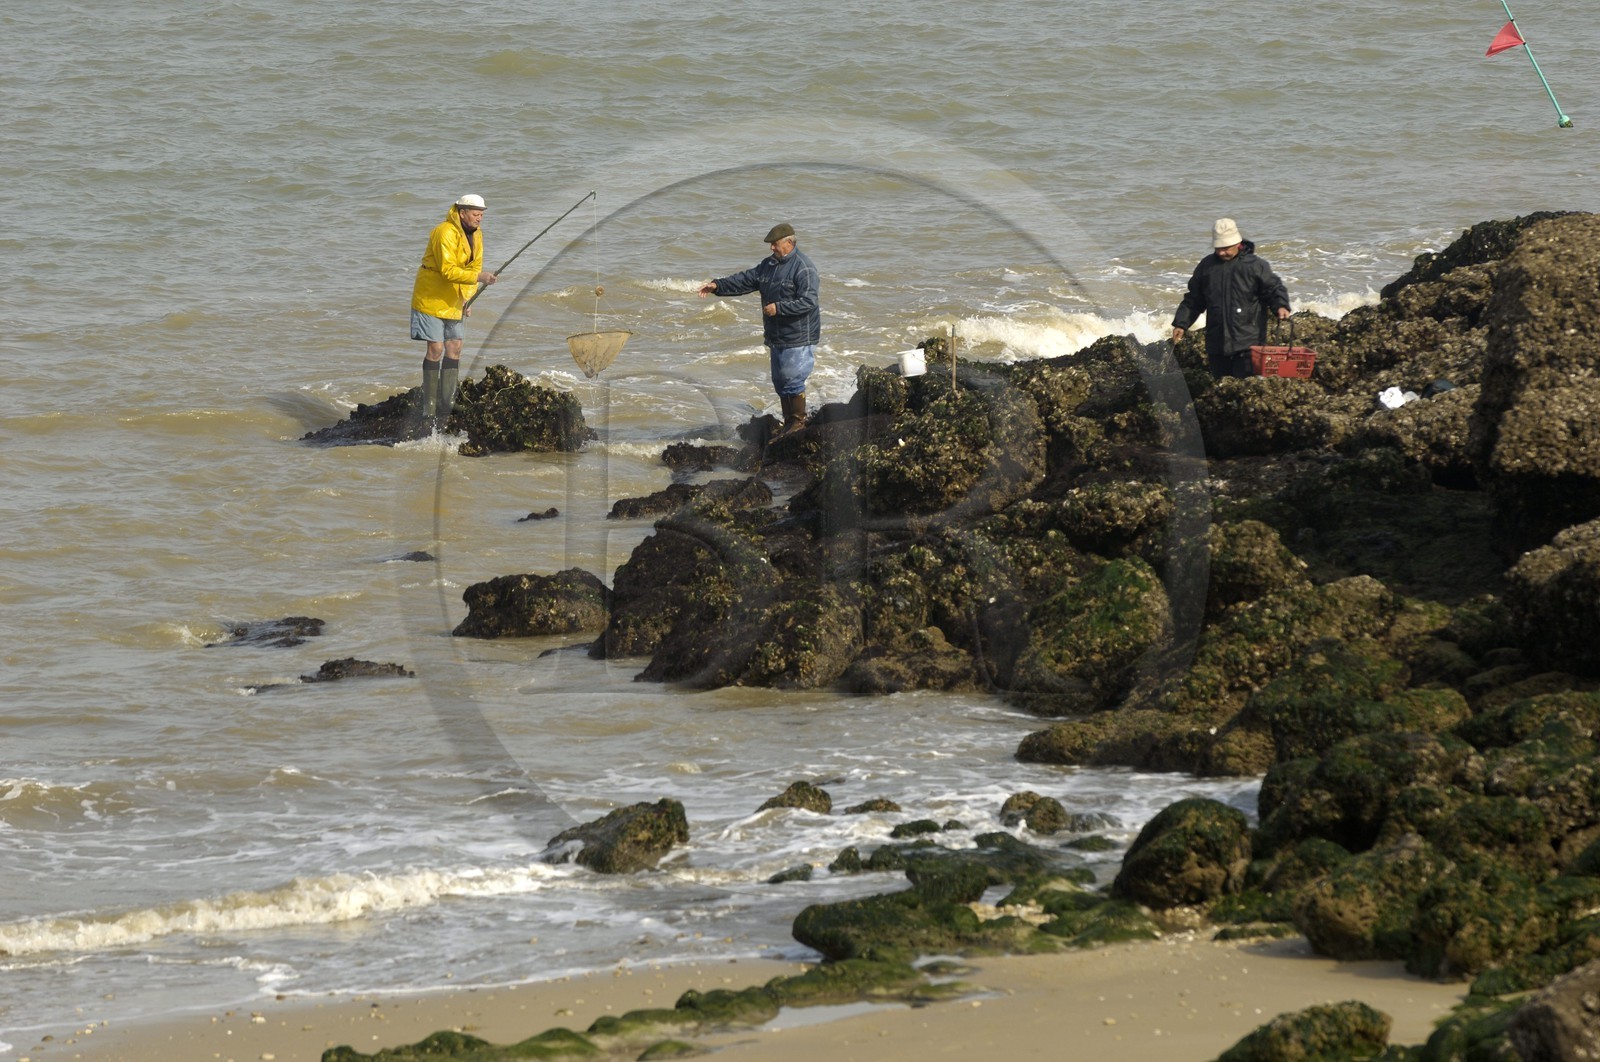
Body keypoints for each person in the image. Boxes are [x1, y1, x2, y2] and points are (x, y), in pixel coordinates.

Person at [698, 222, 820, 435]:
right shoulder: (769, 265)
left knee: (793, 379)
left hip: (799, 335)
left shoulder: (804, 267)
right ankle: (790, 422)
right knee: (780, 381)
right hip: (776, 335)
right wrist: (718, 286)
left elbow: (809, 301)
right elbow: (745, 280)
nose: (772, 248)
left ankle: (798, 422)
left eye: (775, 244)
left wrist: (779, 308)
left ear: (789, 243)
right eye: (771, 245)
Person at [410, 194, 497, 432]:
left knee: (455, 347)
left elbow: (474, 266)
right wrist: (480, 279)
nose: (480, 219)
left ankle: (447, 401)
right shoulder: (444, 232)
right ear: (462, 212)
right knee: (436, 349)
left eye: (482, 214)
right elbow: (448, 271)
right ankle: (429, 405)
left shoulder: (477, 235)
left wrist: (467, 298)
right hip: (431, 296)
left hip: (455, 298)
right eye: (476, 214)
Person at [1171, 218, 1291, 380]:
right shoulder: (1206, 267)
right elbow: (1194, 299)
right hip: (1217, 344)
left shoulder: (1255, 266)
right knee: (1222, 389)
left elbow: (1273, 288)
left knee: (1246, 390)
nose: (1221, 252)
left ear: (1237, 243)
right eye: (1218, 248)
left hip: (1249, 343)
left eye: (1225, 248)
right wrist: (1181, 323)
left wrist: (1281, 305)